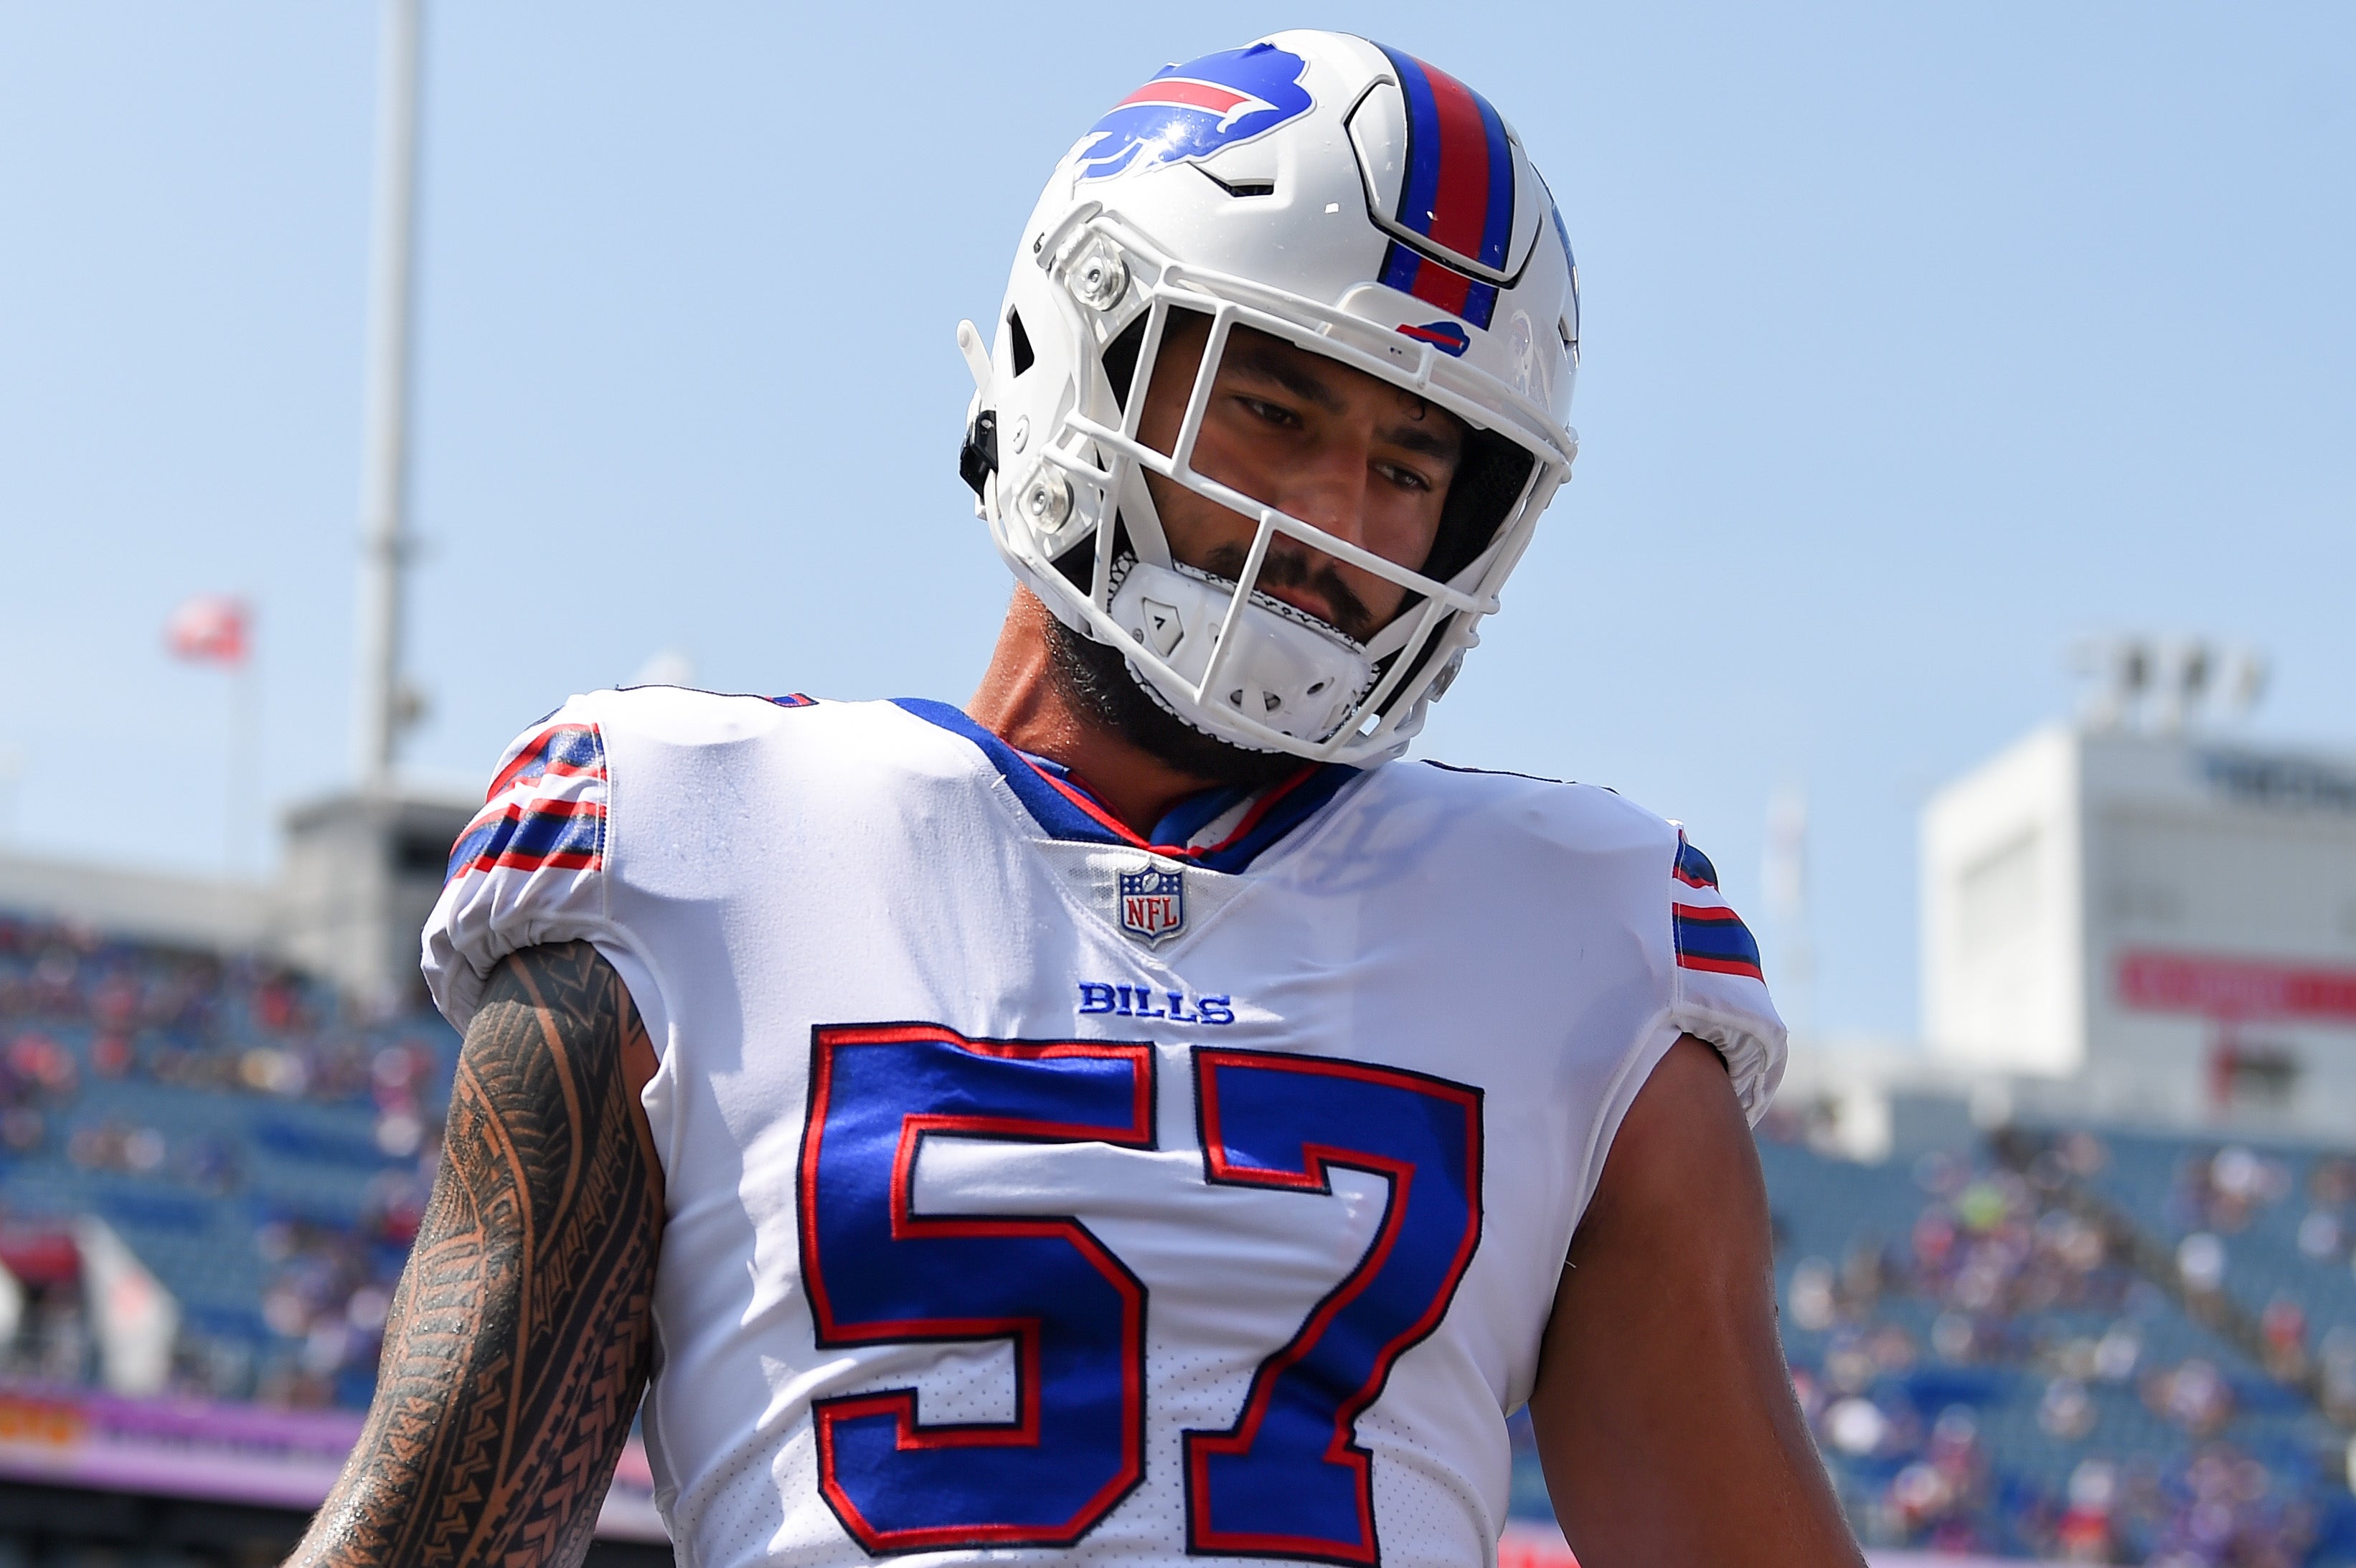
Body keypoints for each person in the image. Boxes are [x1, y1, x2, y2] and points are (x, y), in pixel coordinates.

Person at [289, 30, 1864, 1568]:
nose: (1333, 522)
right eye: (1272, 410)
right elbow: (440, 1529)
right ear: (1079, 353)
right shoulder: (693, 842)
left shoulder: (1584, 947)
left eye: (1407, 462)